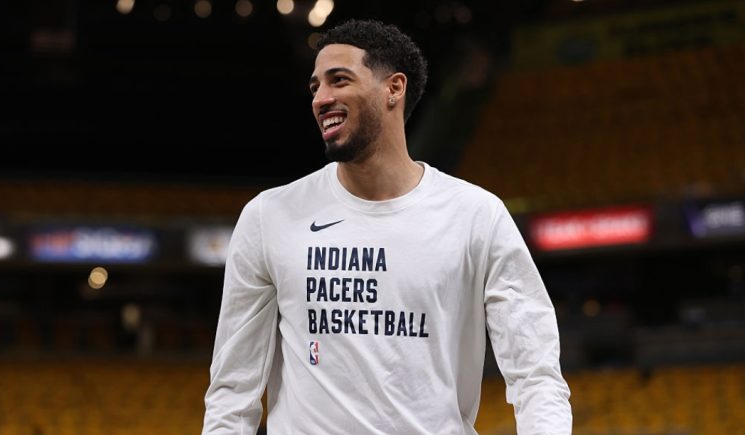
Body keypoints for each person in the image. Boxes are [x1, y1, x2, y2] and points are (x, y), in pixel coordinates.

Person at [202, 18, 572, 434]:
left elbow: (536, 375)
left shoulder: (476, 216)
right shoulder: (268, 217)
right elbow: (232, 392)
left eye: (339, 80)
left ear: (394, 88)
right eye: (315, 86)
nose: (321, 98)